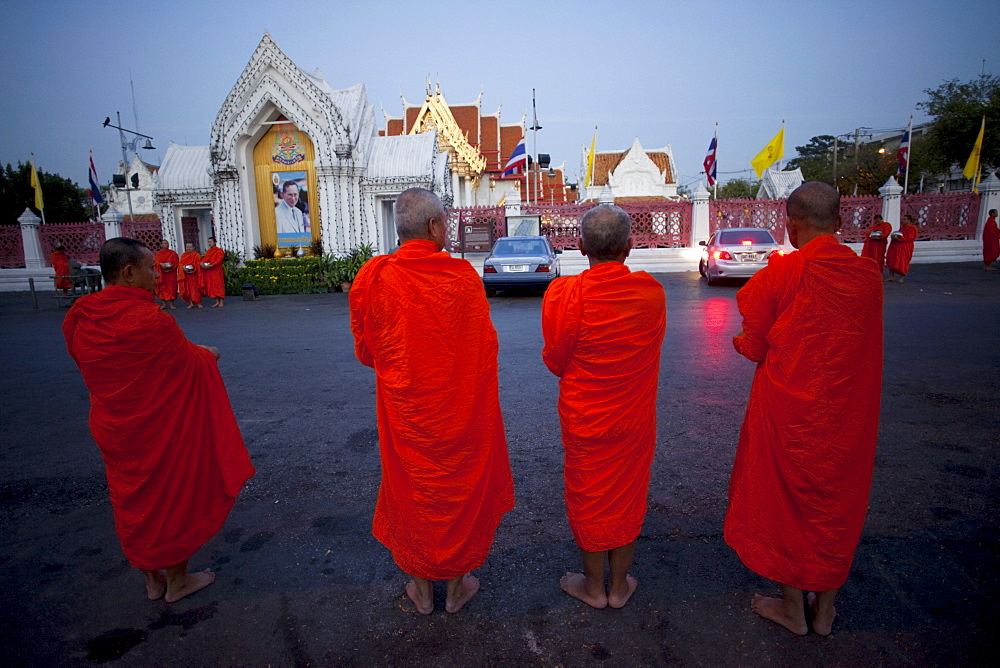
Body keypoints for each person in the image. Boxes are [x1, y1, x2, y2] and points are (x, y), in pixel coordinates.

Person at [724, 182, 883, 636]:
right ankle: (826, 610)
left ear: (791, 225)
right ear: (839, 222)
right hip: (847, 415)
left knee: (786, 501)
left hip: (790, 413)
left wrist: (739, 340)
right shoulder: (866, 276)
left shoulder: (781, 275)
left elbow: (753, 346)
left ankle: (793, 608)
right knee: (835, 503)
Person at [349, 187, 515, 615]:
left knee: (415, 492)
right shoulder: (460, 278)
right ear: (435, 226)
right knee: (456, 489)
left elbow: (366, 351)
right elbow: (485, 349)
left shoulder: (375, 277)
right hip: (459, 410)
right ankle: (456, 588)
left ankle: (422, 590)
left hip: (408, 414)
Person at [62, 237, 255, 602]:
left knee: (131, 502)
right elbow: (188, 361)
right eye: (150, 269)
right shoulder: (151, 321)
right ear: (129, 272)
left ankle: (153, 582)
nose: (157, 275)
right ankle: (178, 581)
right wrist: (210, 354)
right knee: (171, 498)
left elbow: (89, 363)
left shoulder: (80, 315)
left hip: (114, 427)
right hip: (157, 431)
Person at [541, 205, 666, 610]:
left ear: (579, 247)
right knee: (626, 495)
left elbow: (555, 362)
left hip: (586, 421)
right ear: (630, 247)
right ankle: (618, 585)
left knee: (590, 495)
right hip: (632, 420)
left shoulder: (563, 295)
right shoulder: (651, 293)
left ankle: (594, 588)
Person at [886, 214, 918, 282]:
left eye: (904, 219)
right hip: (896, 246)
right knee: (892, 260)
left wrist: (900, 238)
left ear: (909, 220)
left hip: (905, 247)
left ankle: (901, 278)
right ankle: (891, 276)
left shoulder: (912, 228)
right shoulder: (902, 228)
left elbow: (910, 237)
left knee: (903, 261)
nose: (902, 221)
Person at [200, 236, 226, 308]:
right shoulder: (208, 251)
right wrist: (202, 263)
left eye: (211, 242)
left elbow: (219, 260)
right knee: (213, 286)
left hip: (217, 270)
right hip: (210, 272)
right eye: (208, 242)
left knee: (218, 285)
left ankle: (221, 301)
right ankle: (217, 301)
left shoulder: (219, 251)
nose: (209, 243)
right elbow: (205, 259)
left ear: (215, 242)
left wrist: (211, 265)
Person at [154, 239, 179, 309]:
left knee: (172, 288)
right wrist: (161, 264)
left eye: (167, 243)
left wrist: (171, 268)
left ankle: (171, 304)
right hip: (162, 274)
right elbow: (155, 263)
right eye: (164, 243)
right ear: (161, 245)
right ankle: (164, 304)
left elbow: (176, 263)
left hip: (171, 274)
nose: (166, 245)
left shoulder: (173, 253)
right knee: (162, 288)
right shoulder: (158, 254)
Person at [178, 242, 204, 308]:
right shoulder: (184, 255)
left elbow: (199, 264)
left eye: (190, 247)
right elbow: (180, 264)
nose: (188, 248)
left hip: (194, 276)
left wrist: (194, 269)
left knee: (196, 289)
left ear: (193, 248)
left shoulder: (196, 255)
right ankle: (191, 303)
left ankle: (198, 303)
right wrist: (183, 268)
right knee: (188, 289)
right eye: (187, 247)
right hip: (186, 276)